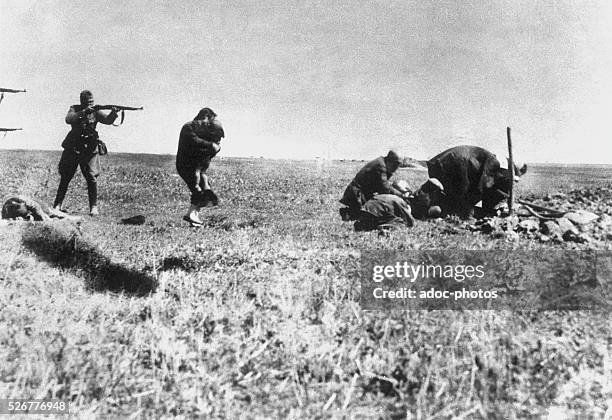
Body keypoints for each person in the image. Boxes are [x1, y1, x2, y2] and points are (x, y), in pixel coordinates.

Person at [52, 90, 119, 216]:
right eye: (88, 102)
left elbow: (108, 120)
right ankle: (57, 205)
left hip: (89, 147)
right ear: (82, 102)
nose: (90, 105)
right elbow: (69, 119)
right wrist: (83, 112)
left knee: (91, 177)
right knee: (66, 176)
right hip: (73, 146)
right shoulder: (74, 109)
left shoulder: (96, 111)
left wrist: (114, 113)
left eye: (91, 102)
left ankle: (93, 207)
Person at [176, 107, 225, 226]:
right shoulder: (188, 127)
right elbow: (194, 141)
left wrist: (214, 146)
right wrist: (211, 145)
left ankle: (193, 217)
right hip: (187, 166)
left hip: (199, 168)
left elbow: (210, 150)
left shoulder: (204, 131)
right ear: (206, 117)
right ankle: (191, 215)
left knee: (208, 194)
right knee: (198, 191)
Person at [339, 150, 409, 221]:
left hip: (362, 194)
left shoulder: (382, 163)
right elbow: (385, 188)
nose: (396, 168)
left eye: (398, 165)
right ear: (389, 161)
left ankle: (351, 212)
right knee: (367, 216)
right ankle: (348, 213)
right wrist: (401, 195)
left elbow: (382, 186)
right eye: (395, 164)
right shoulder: (381, 166)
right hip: (356, 195)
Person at [3, 196, 81, 221]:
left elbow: (36, 207)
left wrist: (43, 216)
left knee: (50, 213)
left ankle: (71, 218)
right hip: (24, 210)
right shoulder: (6, 210)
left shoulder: (26, 202)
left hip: (39, 206)